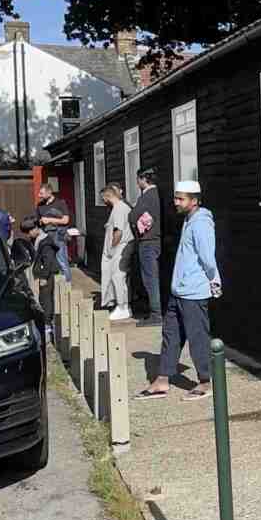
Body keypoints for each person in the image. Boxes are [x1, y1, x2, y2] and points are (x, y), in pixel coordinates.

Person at [137, 181, 220, 402]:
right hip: (179, 290)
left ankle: (205, 382)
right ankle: (162, 380)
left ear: (194, 200)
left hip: (193, 292)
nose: (175, 202)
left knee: (197, 337)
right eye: (175, 197)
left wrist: (212, 280)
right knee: (170, 335)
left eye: (180, 198)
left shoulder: (201, 223)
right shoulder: (189, 220)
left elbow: (208, 258)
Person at [129, 167, 163, 327]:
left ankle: (156, 315)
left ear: (143, 179)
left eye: (138, 179)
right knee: (152, 277)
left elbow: (132, 216)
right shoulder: (156, 194)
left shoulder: (147, 196)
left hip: (148, 242)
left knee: (150, 279)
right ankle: (155, 312)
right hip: (155, 241)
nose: (137, 182)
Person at [20, 215, 60, 341]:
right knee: (43, 298)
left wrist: (44, 276)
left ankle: (47, 325)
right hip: (42, 273)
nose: (28, 234)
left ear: (36, 228)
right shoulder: (38, 240)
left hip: (46, 275)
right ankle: (46, 323)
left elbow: (48, 261)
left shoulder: (46, 243)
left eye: (29, 231)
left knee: (46, 299)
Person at [99, 183, 135, 321]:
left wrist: (112, 248)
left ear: (107, 196)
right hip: (121, 246)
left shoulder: (119, 208)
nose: (103, 201)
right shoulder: (119, 207)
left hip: (120, 246)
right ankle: (124, 306)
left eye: (103, 198)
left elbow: (118, 232)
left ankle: (122, 307)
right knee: (119, 277)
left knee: (118, 276)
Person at [36, 183, 72, 281]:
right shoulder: (40, 205)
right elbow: (38, 220)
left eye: (41, 193)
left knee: (61, 259)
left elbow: (66, 220)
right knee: (49, 260)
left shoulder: (60, 203)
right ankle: (55, 285)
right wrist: (41, 222)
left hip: (58, 234)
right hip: (46, 235)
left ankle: (67, 285)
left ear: (49, 192)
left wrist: (50, 220)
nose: (39, 195)